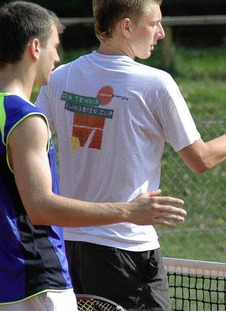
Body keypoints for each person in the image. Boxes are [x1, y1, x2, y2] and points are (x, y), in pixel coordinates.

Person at [34, 0, 226, 309]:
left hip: (68, 248)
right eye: (154, 23)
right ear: (127, 27)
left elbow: (33, 147)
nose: (160, 33)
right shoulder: (156, 84)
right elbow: (202, 159)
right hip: (127, 249)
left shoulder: (60, 78)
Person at [0, 1, 187, 310]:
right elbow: (41, 207)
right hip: (36, 280)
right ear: (35, 48)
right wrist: (128, 211)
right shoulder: (26, 119)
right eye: (54, 47)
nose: (58, 58)